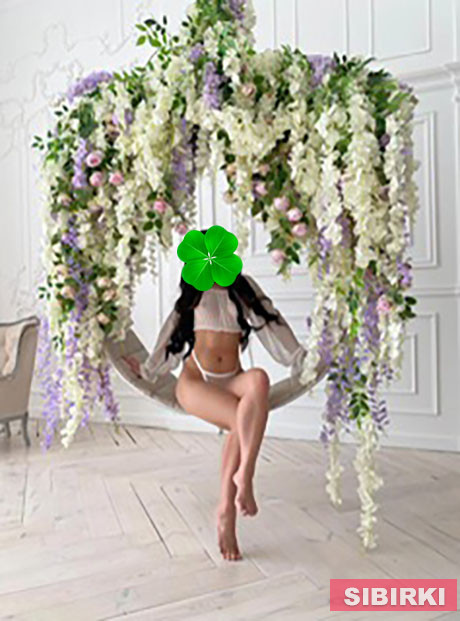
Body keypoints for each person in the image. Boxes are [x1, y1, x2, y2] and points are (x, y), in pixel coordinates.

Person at [123, 254, 308, 562]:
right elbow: (171, 331)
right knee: (241, 421)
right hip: (195, 382)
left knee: (259, 380)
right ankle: (227, 509)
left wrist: (301, 359)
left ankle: (244, 474)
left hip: (232, 380)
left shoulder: (242, 288)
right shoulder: (194, 291)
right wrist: (148, 370)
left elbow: (271, 325)